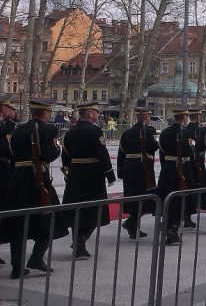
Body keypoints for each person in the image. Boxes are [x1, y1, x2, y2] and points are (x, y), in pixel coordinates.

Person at [4, 99, 69, 279]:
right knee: (51, 218)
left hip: (18, 179)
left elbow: (11, 152)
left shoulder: (18, 130)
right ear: (46, 113)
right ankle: (37, 256)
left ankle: (17, 266)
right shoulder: (48, 130)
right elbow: (51, 152)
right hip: (38, 179)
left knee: (18, 223)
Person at [61, 101, 116, 259]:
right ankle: (81, 240)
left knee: (76, 210)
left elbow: (65, 157)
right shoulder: (94, 131)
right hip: (92, 175)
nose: (98, 115)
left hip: (75, 175)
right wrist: (110, 175)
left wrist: (67, 174)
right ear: (90, 114)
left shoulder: (70, 133)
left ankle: (78, 243)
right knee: (94, 210)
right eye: (96, 112)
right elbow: (102, 153)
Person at [117, 105, 159, 240]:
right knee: (146, 195)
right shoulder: (149, 130)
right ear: (147, 117)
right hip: (143, 166)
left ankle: (133, 224)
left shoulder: (127, 133)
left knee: (134, 195)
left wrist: (120, 172)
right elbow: (153, 147)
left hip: (129, 166)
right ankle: (131, 223)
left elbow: (121, 153)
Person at [155, 104, 194, 245]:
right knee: (180, 199)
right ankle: (173, 229)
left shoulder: (165, 132)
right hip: (181, 168)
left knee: (169, 198)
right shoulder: (186, 133)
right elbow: (188, 151)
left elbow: (162, 152)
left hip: (168, 168)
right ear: (184, 117)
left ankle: (168, 226)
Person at [0, 94, 18, 265]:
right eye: (11, 108)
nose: (14, 111)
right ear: (3, 109)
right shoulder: (6, 127)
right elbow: (10, 150)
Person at [183, 107, 206, 229]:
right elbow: (205, 145)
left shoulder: (185, 129)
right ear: (198, 116)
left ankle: (187, 216)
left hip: (187, 162)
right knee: (197, 186)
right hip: (198, 161)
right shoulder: (202, 130)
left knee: (188, 187)